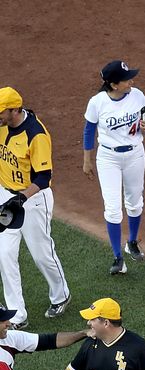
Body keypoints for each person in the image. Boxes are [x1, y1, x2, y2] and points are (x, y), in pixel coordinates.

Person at [0, 87, 70, 327]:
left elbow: (43, 177)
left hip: (32, 200)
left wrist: (20, 199)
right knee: (4, 254)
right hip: (4, 196)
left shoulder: (35, 134)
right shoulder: (1, 125)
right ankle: (17, 314)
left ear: (15, 110)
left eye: (2, 112)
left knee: (41, 254)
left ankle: (61, 294)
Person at [83, 60, 145, 275]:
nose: (131, 80)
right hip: (108, 158)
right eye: (126, 79)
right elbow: (88, 131)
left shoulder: (138, 95)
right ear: (114, 84)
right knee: (113, 209)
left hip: (135, 154)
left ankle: (131, 242)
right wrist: (87, 160)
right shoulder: (97, 102)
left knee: (135, 203)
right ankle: (117, 257)